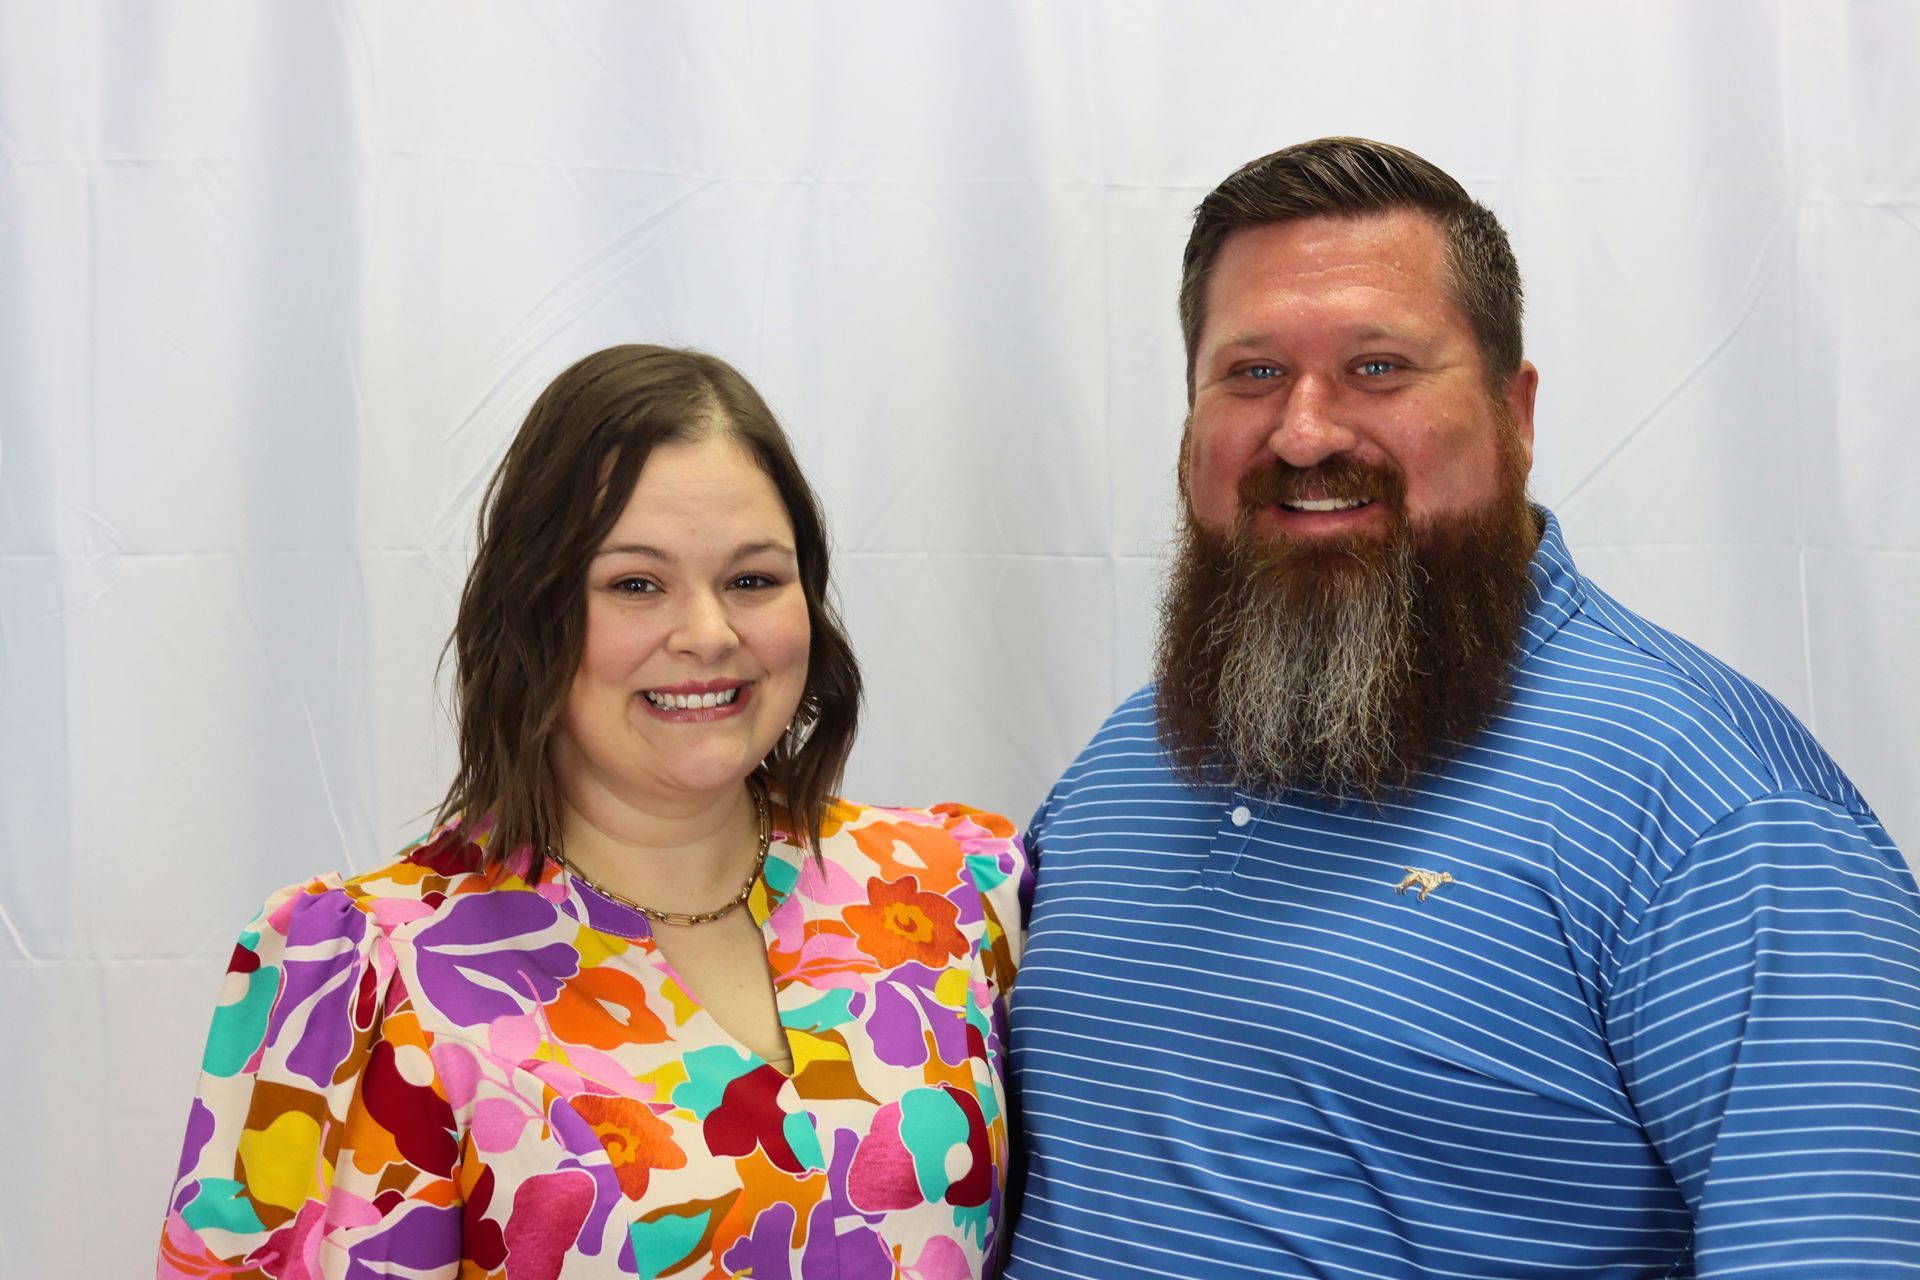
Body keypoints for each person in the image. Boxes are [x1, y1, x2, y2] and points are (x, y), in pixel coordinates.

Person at [1005, 138, 1920, 1277]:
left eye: (1378, 367)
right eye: (1250, 374)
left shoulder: (1716, 807)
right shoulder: (1131, 754)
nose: (1304, 430)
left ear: (1515, 412)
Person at [158, 346, 1029, 1278]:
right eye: (635, 584)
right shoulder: (375, 978)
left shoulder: (953, 889)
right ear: (532, 613)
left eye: (753, 579)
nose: (707, 634)